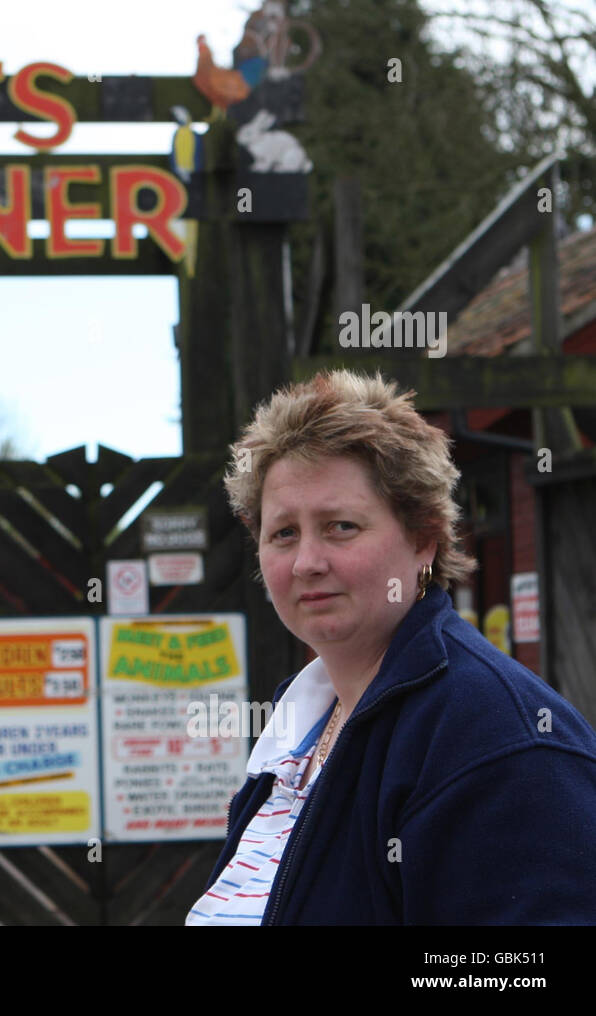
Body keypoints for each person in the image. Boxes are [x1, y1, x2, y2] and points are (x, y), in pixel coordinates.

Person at [187, 369, 596, 925]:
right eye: (283, 532)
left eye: (341, 526)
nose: (307, 561)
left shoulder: (499, 737)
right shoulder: (300, 722)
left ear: (424, 537)